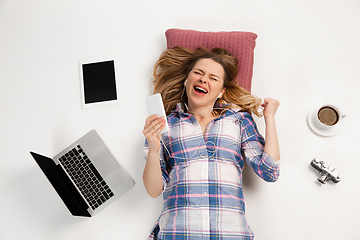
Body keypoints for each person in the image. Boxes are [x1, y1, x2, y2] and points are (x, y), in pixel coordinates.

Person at [142, 46, 280, 240]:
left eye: (213, 78)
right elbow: (153, 189)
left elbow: (270, 171)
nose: (203, 79)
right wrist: (154, 149)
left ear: (221, 91)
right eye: (198, 73)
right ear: (186, 80)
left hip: (229, 234)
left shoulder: (238, 120)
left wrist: (270, 118)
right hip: (179, 233)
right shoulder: (165, 126)